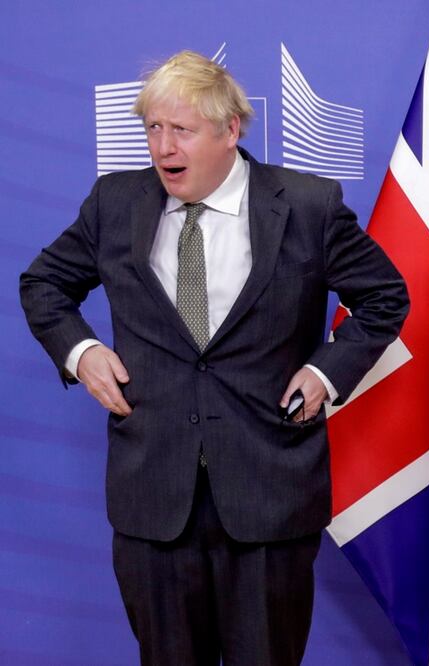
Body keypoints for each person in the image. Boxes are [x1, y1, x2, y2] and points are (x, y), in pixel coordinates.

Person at [20, 51, 409, 665]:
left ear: (230, 131)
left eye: (182, 130)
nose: (162, 146)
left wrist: (326, 372)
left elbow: (385, 297)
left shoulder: (307, 205)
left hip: (269, 491)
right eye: (153, 128)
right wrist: (82, 352)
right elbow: (43, 285)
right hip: (153, 494)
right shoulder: (114, 203)